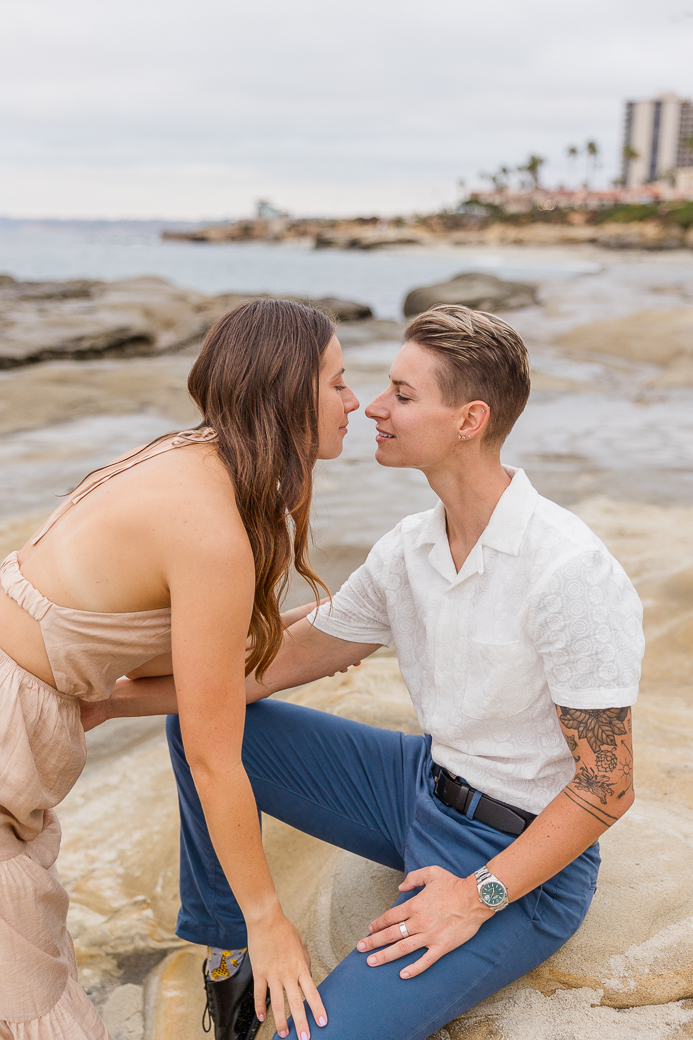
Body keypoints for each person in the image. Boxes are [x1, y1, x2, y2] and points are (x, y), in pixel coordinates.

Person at [102, 304, 644, 1040]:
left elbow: (606, 787)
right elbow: (271, 666)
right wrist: (105, 701)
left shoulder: (566, 570)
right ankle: (230, 957)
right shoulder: (408, 549)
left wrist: (473, 897)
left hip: (509, 855)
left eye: (402, 394)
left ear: (468, 419)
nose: (371, 408)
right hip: (414, 785)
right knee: (207, 726)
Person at [0, 299, 359, 1040]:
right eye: (338, 381)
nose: (354, 401)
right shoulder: (212, 527)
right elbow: (211, 754)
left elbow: (206, 659)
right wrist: (266, 920)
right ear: (289, 393)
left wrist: (333, 636)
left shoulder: (190, 458)